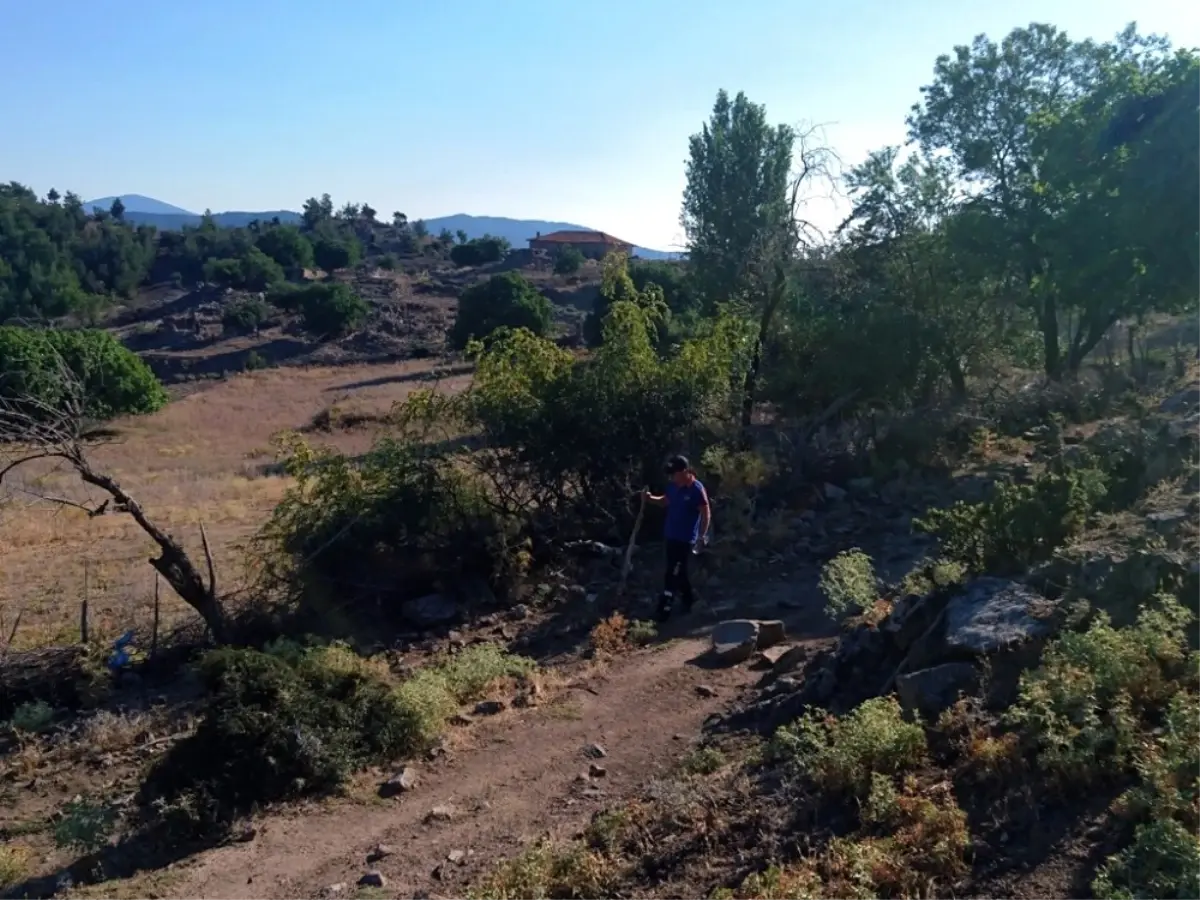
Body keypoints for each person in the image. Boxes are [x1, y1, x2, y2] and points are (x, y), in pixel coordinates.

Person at [643, 455, 711, 621]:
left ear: (685, 471)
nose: (672, 476)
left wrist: (702, 536)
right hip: (671, 535)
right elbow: (665, 501)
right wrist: (650, 499)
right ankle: (689, 600)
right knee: (679, 573)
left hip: (686, 538)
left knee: (671, 573)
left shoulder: (696, 489)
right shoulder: (673, 486)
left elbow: (705, 512)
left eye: (675, 473)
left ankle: (664, 609)